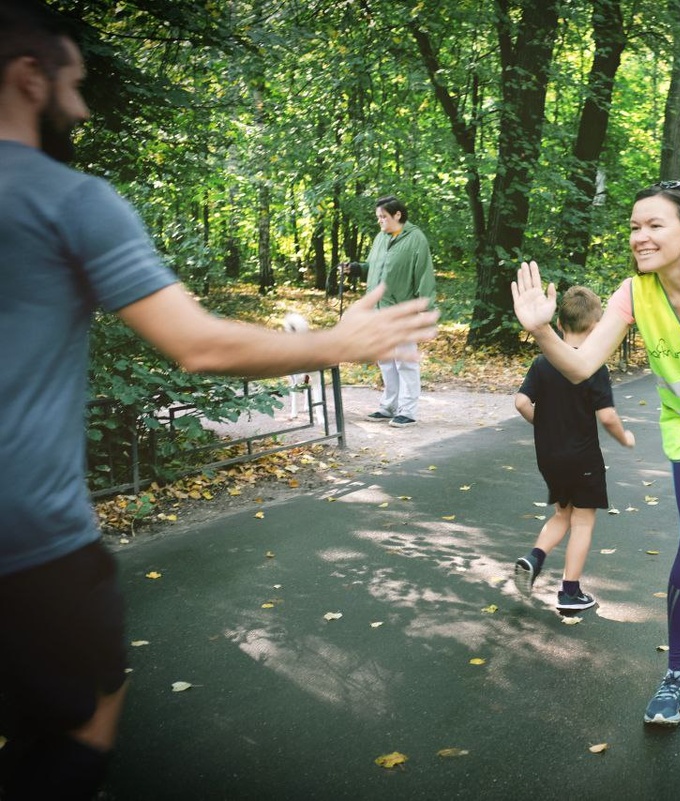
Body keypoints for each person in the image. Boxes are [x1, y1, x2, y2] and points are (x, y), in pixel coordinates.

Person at [0, 4, 439, 797]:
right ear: (29, 78)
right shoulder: (69, 200)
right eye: (74, 84)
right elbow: (197, 343)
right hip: (30, 538)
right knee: (88, 710)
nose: (85, 107)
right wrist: (335, 342)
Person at [511, 180, 680, 734]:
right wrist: (541, 329)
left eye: (654, 225)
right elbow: (580, 365)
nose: (639, 236)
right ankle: (676, 675)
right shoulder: (634, 293)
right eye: (634, 227)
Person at [512, 286, 635, 612]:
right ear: (597, 327)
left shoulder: (543, 363)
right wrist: (625, 438)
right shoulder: (594, 367)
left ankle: (533, 559)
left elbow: (521, 402)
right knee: (582, 522)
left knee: (562, 514)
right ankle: (569, 592)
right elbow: (607, 416)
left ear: (559, 323)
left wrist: (545, 425)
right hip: (582, 458)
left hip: (549, 457)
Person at [363, 195, 436, 427]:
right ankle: (389, 406)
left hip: (402, 310)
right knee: (386, 360)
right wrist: (356, 268)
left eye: (383, 216)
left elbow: (424, 275)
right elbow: (373, 268)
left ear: (397, 215)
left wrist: (427, 310)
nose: (380, 221)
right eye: (378, 217)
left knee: (405, 361)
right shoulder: (380, 238)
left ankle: (408, 411)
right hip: (378, 310)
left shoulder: (416, 239)